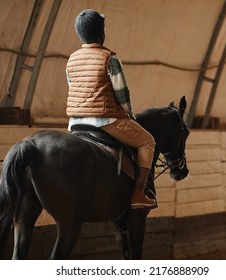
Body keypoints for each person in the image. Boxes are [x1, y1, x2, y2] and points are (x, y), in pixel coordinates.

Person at [65, 9, 156, 209]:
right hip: (105, 122)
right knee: (148, 141)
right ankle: (139, 193)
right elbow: (122, 94)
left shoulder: (71, 60)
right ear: (101, 32)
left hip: (76, 124)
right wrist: (129, 114)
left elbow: (74, 88)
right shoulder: (110, 59)